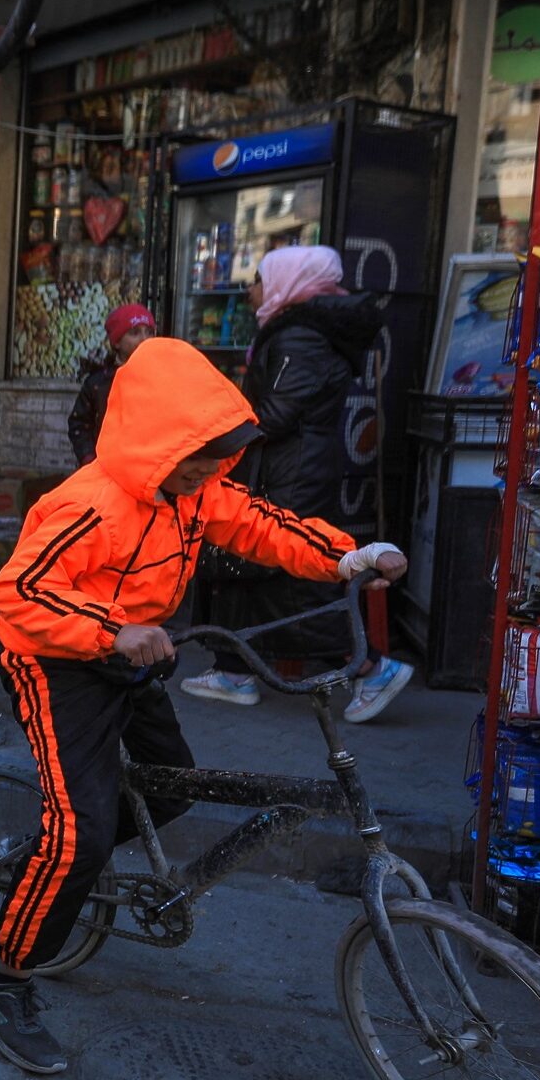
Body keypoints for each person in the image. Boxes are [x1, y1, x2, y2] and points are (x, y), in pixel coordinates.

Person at [0, 336, 405, 1074]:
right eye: (201, 454)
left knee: (171, 790)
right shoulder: (85, 504)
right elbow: (18, 594)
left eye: (219, 453)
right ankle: (4, 980)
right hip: (52, 662)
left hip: (133, 655)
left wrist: (347, 558)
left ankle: (46, 865)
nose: (213, 468)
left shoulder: (197, 494)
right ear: (155, 443)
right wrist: (113, 630)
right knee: (79, 835)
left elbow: (263, 525)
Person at [179, 245, 414, 724]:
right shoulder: (302, 330)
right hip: (290, 466)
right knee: (253, 563)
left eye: (260, 278)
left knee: (289, 571)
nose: (251, 289)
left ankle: (370, 668)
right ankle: (234, 669)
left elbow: (279, 412)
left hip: (294, 472)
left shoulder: (300, 336)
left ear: (288, 280)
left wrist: (220, 423)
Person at [66, 302, 155, 466]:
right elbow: (79, 424)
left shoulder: (160, 377)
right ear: (117, 342)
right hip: (106, 468)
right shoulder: (97, 383)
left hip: (149, 469)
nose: (144, 339)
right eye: (135, 333)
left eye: (149, 332)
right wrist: (90, 460)